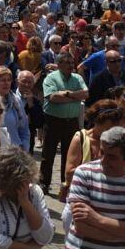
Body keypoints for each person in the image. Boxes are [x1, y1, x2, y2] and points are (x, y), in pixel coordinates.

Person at [40, 52, 87, 193]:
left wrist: (66, 94)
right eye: (66, 62)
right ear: (58, 64)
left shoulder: (77, 78)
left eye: (72, 63)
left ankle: (65, 183)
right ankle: (44, 182)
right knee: (48, 154)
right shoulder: (51, 78)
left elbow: (85, 94)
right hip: (53, 121)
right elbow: (52, 97)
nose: (70, 65)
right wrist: (74, 96)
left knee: (69, 154)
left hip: (72, 121)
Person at [60, 99, 123, 196]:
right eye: (107, 128)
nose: (111, 132)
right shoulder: (80, 138)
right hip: (81, 194)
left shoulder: (117, 141)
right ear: (96, 121)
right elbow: (69, 173)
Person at [0, 65, 29, 149]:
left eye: (9, 80)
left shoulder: (16, 101)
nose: (7, 83)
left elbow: (24, 129)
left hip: (14, 152)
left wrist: (24, 147)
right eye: (3, 80)